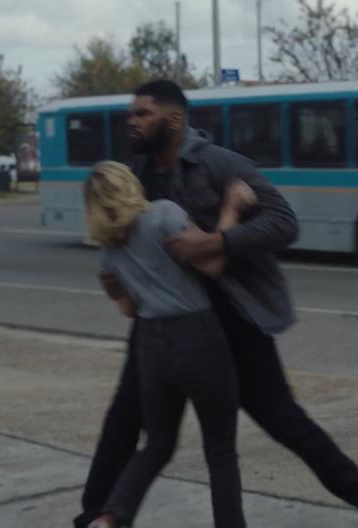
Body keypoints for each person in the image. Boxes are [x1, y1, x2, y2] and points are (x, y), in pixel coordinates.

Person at [74, 80, 358, 528]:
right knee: (123, 419)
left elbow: (284, 222)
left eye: (142, 114)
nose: (131, 122)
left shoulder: (219, 164)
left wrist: (221, 240)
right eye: (130, 114)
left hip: (234, 321)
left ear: (173, 119)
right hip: (164, 325)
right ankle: (94, 516)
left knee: (286, 424)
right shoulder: (139, 174)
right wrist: (118, 283)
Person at [84, 161, 256, 528]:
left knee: (157, 446)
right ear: (130, 184)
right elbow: (212, 264)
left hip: (150, 346)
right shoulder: (164, 215)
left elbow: (130, 309)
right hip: (198, 337)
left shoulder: (108, 253)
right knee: (221, 452)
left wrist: (119, 288)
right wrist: (232, 208)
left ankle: (111, 518)